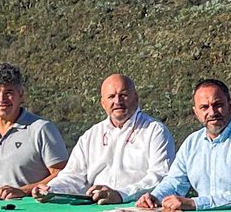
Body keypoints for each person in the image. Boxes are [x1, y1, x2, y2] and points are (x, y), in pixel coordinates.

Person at [137, 80, 231, 212]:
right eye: (204, 107)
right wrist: (155, 197)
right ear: (196, 112)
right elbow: (174, 182)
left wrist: (194, 203)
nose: (212, 112)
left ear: (230, 105)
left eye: (218, 105)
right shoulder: (192, 143)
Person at [43, 74, 175, 203]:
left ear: (136, 98)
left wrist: (121, 195)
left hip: (138, 209)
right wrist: (50, 189)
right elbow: (73, 175)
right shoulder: (91, 135)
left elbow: (161, 176)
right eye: (111, 96)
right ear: (103, 103)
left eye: (123, 95)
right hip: (96, 207)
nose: (117, 101)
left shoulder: (155, 131)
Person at [0, 62, 67, 199]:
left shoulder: (42, 129)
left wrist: (23, 191)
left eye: (8, 92)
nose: (2, 99)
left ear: (21, 94)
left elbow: (62, 174)